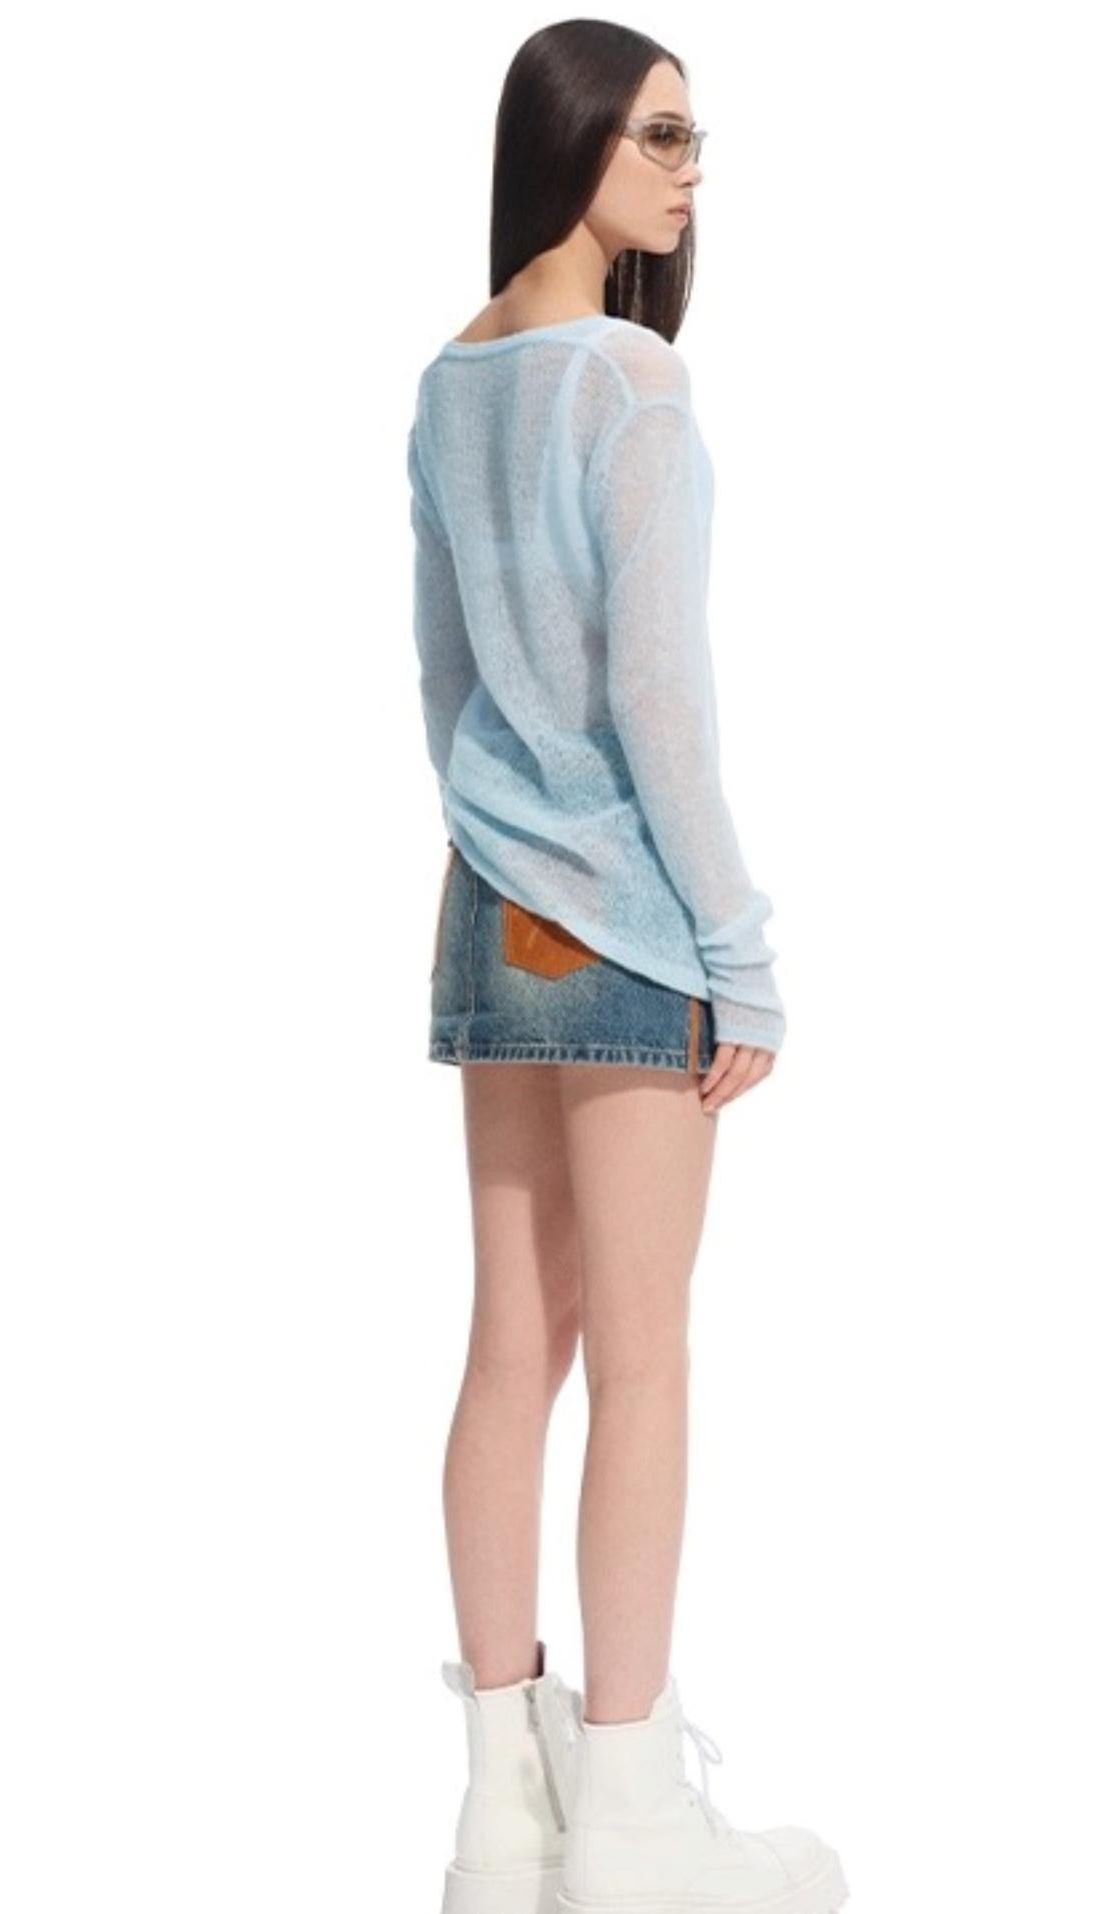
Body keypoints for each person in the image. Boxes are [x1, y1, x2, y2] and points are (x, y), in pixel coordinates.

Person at [407, 22, 848, 1914]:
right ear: (574, 138)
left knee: (515, 1339)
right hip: (628, 926)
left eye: (696, 137)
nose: (689, 168)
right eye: (659, 134)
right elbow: (666, 710)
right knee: (645, 1360)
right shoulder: (633, 383)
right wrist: (738, 957)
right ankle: (637, 1819)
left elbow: (444, 679)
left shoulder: (449, 380)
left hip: (487, 906)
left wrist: (503, 843)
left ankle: (503, 1818)